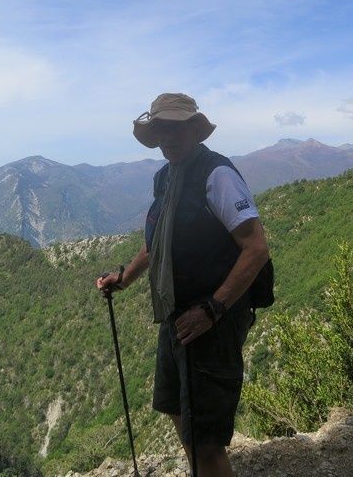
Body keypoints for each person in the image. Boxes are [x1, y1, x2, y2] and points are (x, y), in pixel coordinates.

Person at [96, 93, 270, 477]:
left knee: (206, 439)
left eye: (175, 128)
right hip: (176, 315)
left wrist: (213, 309)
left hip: (213, 321)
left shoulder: (217, 175)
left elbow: (255, 249)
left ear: (194, 129)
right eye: (161, 130)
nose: (168, 138)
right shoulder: (168, 177)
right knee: (178, 411)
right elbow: (157, 242)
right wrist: (123, 279)